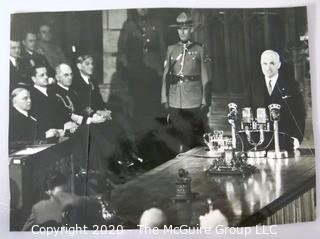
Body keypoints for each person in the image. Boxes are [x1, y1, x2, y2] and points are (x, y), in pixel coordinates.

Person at [161, 11, 209, 150]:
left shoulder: (199, 49)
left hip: (193, 99)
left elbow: (205, 76)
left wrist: (204, 100)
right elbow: (165, 75)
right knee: (176, 136)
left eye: (185, 29)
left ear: (191, 29)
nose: (182, 32)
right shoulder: (171, 49)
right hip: (175, 98)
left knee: (192, 138)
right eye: (179, 29)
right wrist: (164, 98)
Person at [245, 50, 306, 150]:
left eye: (272, 63)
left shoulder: (291, 85)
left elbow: (300, 114)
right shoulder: (253, 86)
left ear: (279, 65)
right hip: (260, 142)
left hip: (285, 141)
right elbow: (246, 112)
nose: (268, 68)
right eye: (265, 64)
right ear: (261, 65)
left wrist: (297, 138)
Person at [118, 9, 166, 135]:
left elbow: (162, 48)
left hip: (154, 71)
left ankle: (154, 137)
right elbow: (122, 51)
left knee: (154, 105)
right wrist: (128, 69)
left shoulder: (157, 23)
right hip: (136, 72)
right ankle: (140, 137)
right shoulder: (129, 24)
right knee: (138, 106)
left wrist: (163, 71)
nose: (143, 8)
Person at [22, 171, 105, 231]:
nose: (65, 196)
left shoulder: (38, 208)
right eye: (62, 194)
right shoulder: (38, 209)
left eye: (66, 192)